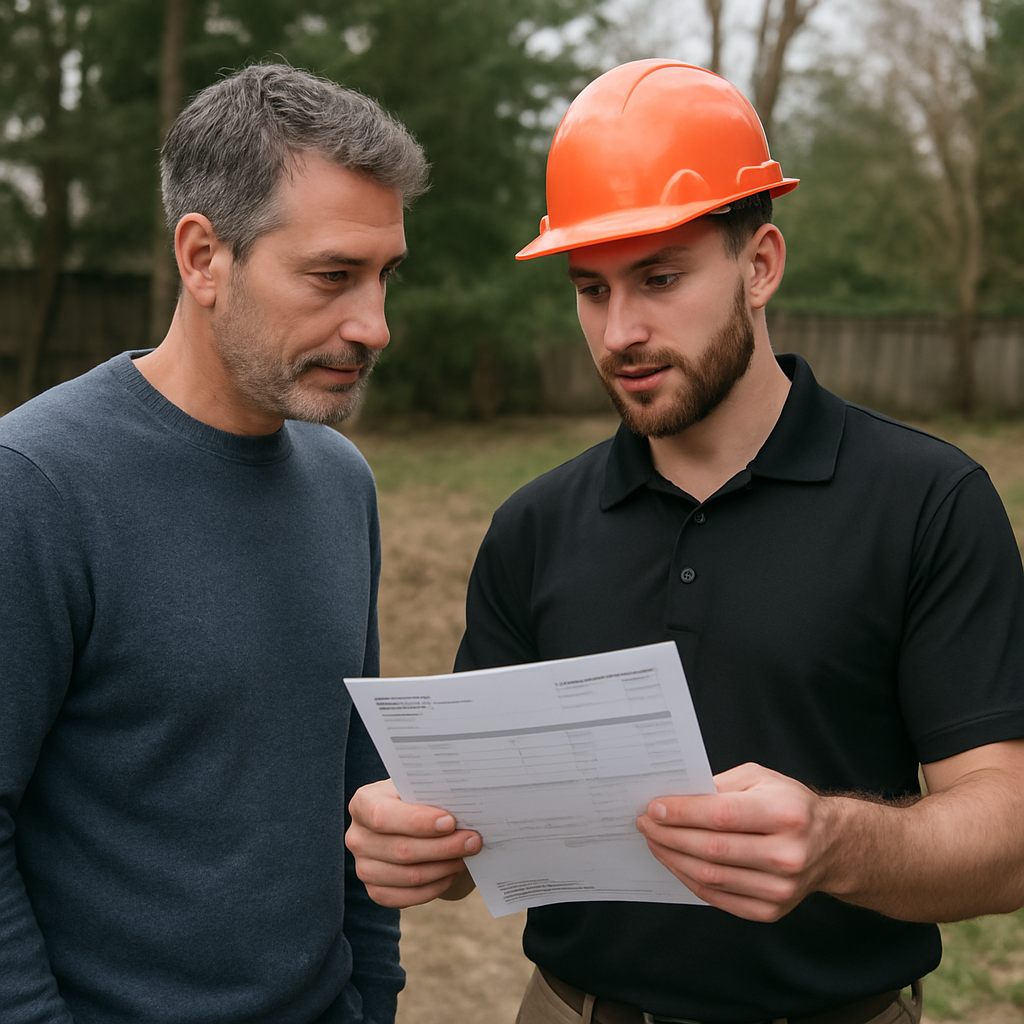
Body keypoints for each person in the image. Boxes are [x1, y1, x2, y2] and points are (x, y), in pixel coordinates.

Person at [345, 60, 1024, 1024]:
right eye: (590, 289)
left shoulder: (928, 502)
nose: (621, 331)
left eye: (660, 278)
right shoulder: (533, 529)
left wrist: (834, 841)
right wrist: (420, 847)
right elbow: (480, 839)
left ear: (761, 264)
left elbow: (1008, 835)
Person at [0, 63, 427, 1024]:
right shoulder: (33, 485)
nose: (374, 326)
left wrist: (373, 1000)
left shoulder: (341, 483)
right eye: (331, 276)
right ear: (203, 258)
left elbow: (355, 783)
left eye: (384, 276)